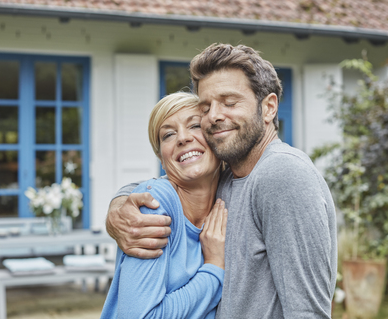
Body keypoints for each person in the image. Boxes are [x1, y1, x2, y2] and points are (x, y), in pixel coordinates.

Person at [106, 44, 337, 318]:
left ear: (269, 108)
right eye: (205, 107)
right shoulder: (226, 176)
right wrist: (119, 205)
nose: (214, 116)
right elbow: (164, 185)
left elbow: (306, 312)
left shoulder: (282, 173)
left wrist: (214, 267)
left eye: (229, 102)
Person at [100, 92, 227, 318]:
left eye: (195, 126)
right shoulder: (154, 204)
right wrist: (214, 268)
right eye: (168, 134)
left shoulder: (230, 195)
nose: (182, 138)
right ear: (162, 159)